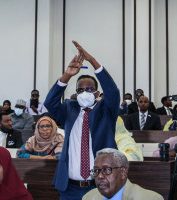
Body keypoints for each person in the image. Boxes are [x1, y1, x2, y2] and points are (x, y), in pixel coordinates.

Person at [44, 40, 120, 199]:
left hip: (99, 188)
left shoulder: (106, 111)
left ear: (98, 93)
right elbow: (50, 103)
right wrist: (67, 75)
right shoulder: (69, 109)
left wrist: (92, 61)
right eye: (80, 90)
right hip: (69, 188)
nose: (84, 93)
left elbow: (113, 91)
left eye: (89, 89)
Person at [83, 148, 163, 200]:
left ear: (123, 172)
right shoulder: (88, 197)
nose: (100, 176)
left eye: (107, 169)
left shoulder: (151, 198)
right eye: (96, 170)